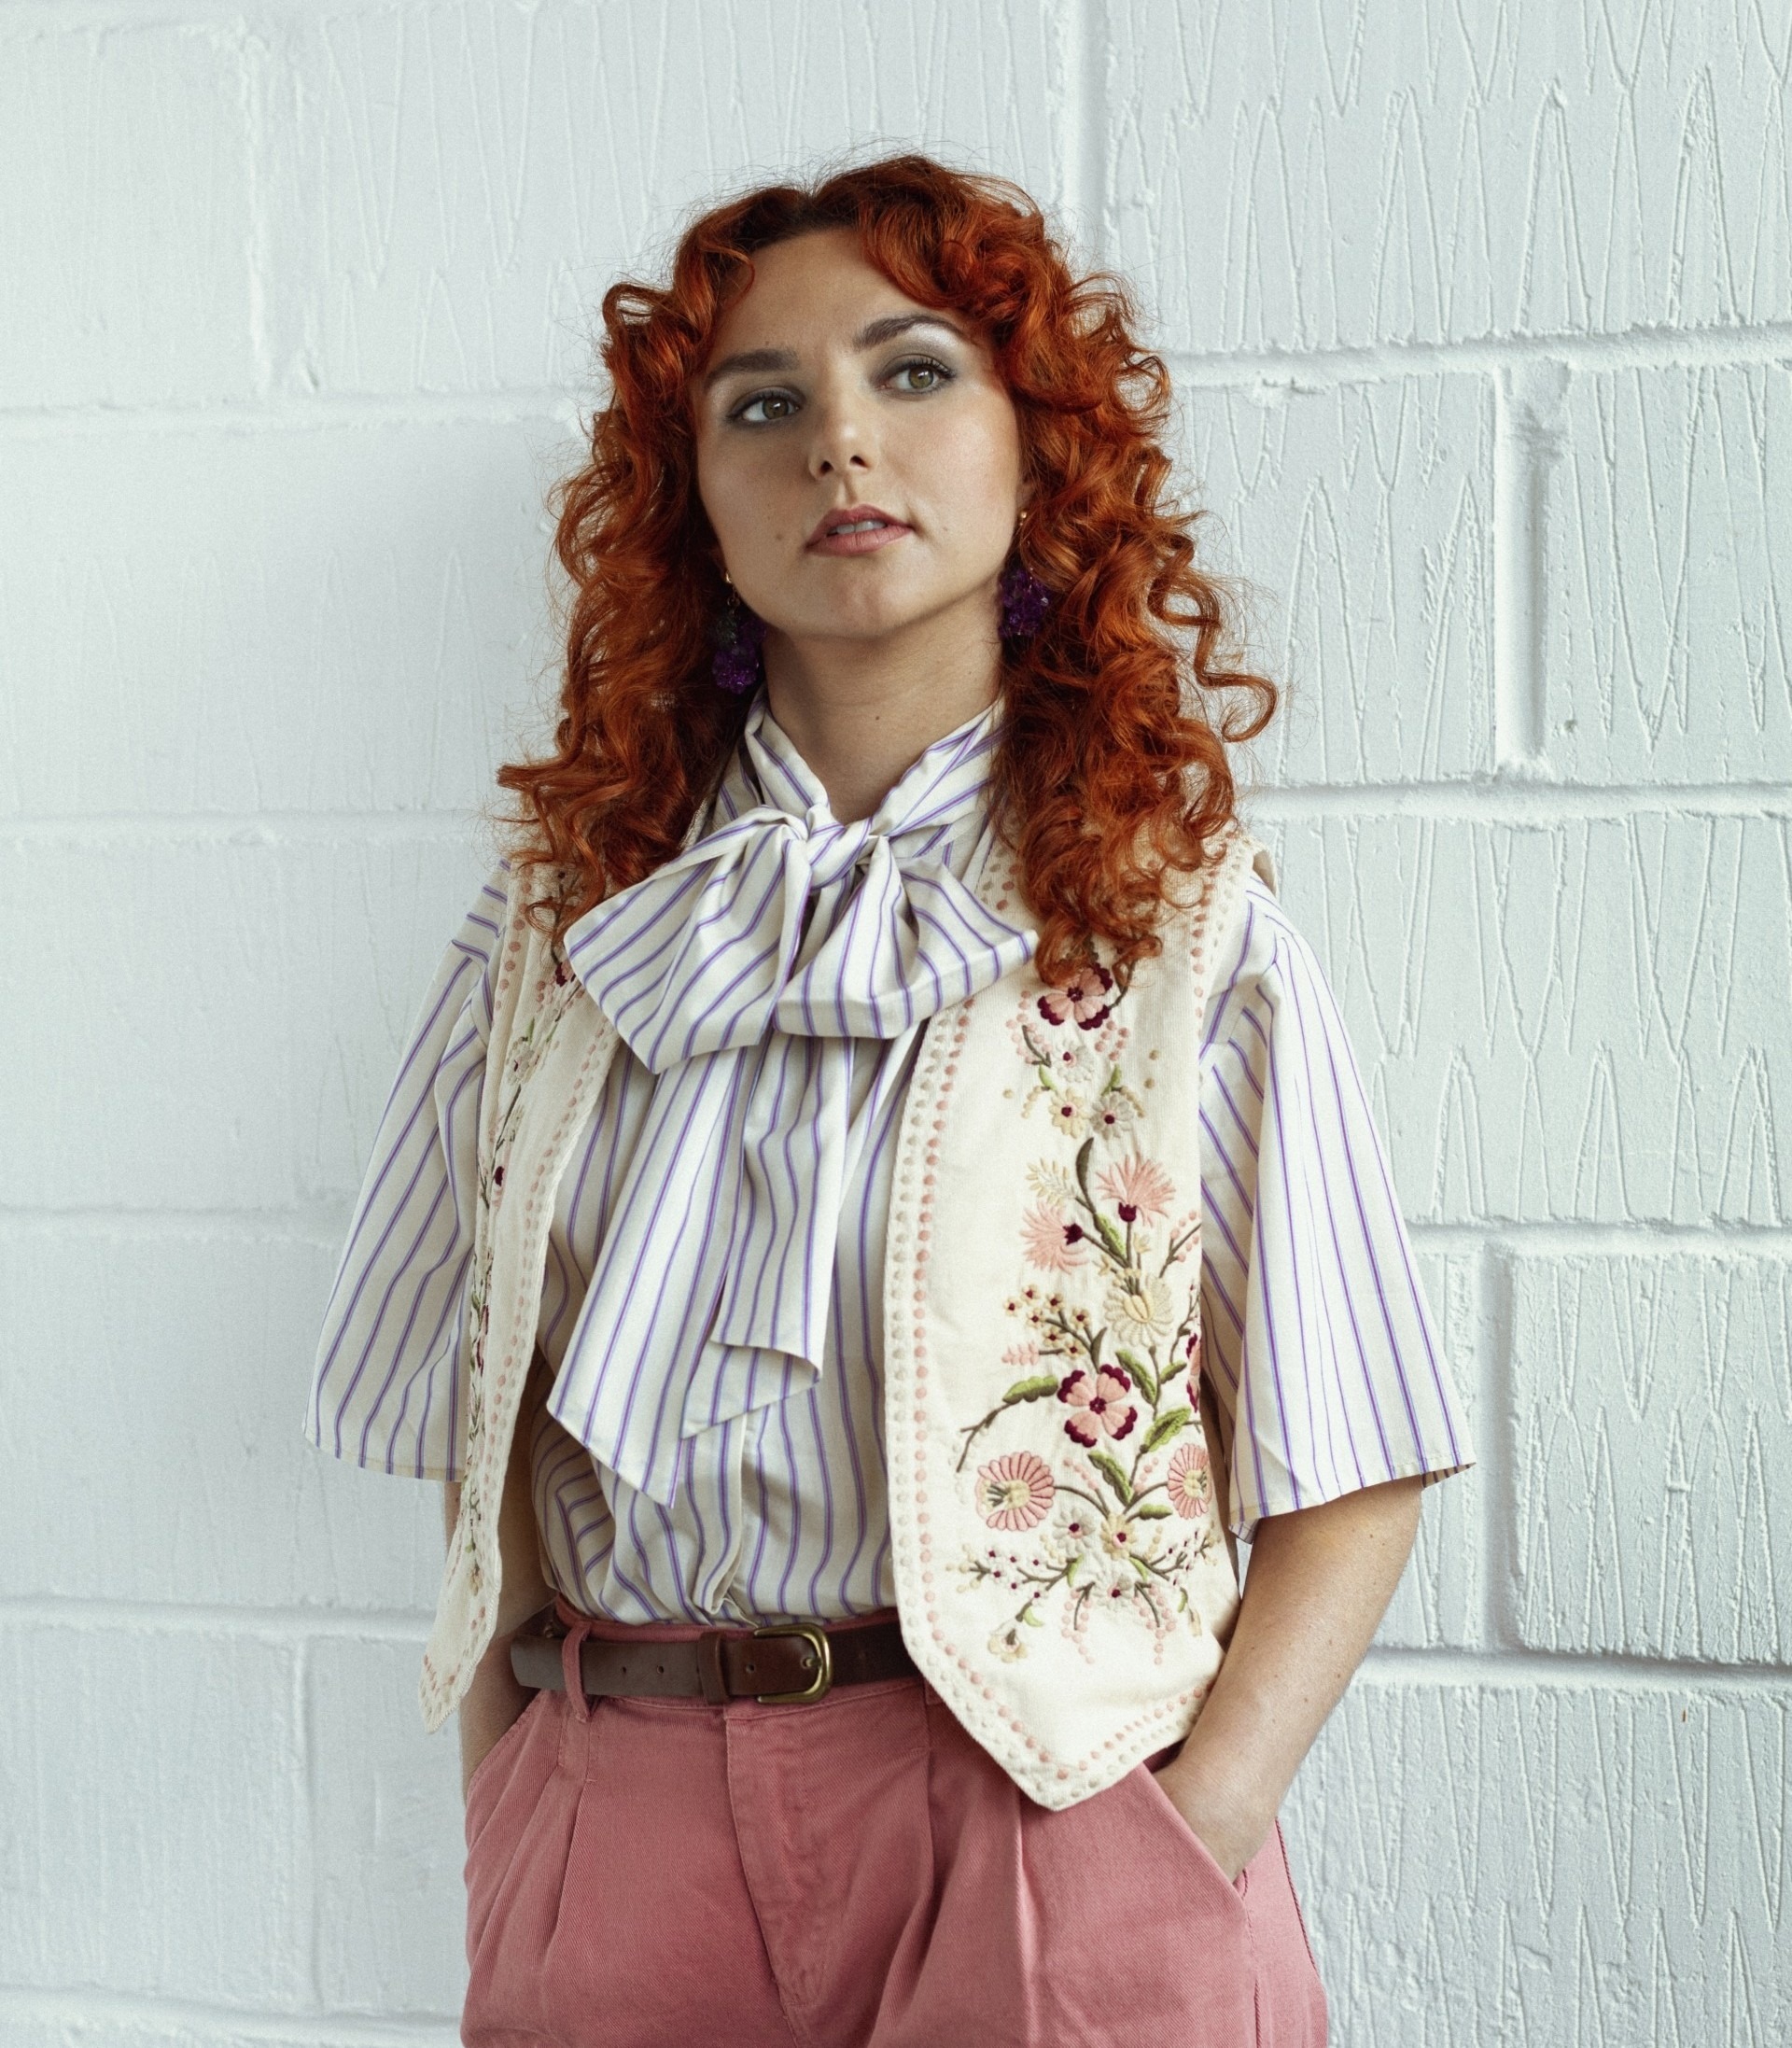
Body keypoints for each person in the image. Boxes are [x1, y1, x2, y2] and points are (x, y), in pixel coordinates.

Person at [305, 153, 1472, 2046]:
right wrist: (530, 1795)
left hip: (1049, 1807)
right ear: (695, 500)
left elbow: (1353, 1461)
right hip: (624, 1817)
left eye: (914, 371)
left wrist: (1184, 1832)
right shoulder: (560, 937)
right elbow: (481, 1397)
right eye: (761, 404)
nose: (838, 439)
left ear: (1038, 455)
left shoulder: (1183, 936)